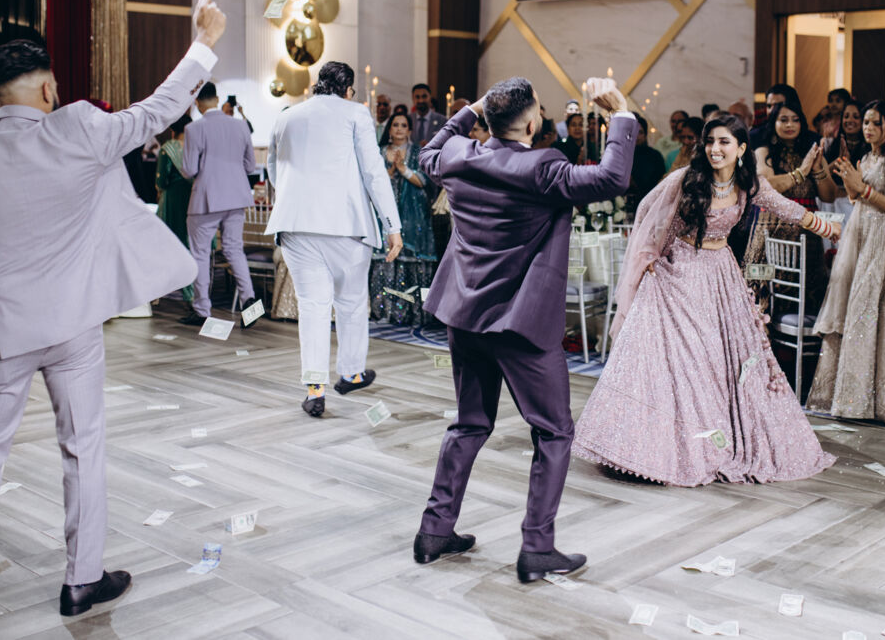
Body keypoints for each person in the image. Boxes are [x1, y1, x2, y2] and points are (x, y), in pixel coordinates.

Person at [0, 0, 225, 640]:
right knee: (84, 446)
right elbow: (159, 109)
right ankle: (82, 581)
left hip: (0, 334)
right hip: (74, 326)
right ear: (48, 89)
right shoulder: (79, 128)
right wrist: (204, 41)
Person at [412, 76, 635, 583]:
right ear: (533, 124)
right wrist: (620, 112)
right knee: (554, 432)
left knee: (469, 424)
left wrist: (471, 110)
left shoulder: (457, 156)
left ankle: (434, 531)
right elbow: (612, 178)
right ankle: (536, 548)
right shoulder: (543, 168)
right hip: (520, 323)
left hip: (465, 316)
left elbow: (427, 152)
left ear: (489, 119)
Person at [574, 113, 838, 485]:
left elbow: (787, 208)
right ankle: (659, 448)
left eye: (724, 142)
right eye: (711, 141)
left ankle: (714, 441)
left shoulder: (749, 184)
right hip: (680, 272)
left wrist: (827, 227)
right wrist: (651, 256)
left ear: (741, 149)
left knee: (719, 361)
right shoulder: (687, 179)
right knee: (684, 363)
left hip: (721, 276)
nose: (715, 149)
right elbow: (648, 210)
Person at [266, 61, 402, 418]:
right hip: (346, 223)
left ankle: (315, 389)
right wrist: (392, 225)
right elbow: (374, 172)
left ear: (318, 84)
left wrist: (297, 199)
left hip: (296, 223)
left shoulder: (286, 116)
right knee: (351, 301)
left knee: (312, 304)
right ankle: (351, 373)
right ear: (348, 89)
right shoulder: (355, 113)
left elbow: (273, 169)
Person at [808, 100, 885, 425]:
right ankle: (853, 401)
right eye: (866, 122)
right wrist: (850, 182)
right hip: (862, 235)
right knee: (858, 312)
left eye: (876, 123)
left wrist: (863, 188)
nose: (868, 128)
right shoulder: (867, 157)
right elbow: (854, 198)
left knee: (883, 314)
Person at [177, 82, 260, 327]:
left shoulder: (194, 128)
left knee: (201, 254)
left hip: (206, 199)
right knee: (235, 250)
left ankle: (202, 309)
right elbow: (250, 166)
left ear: (197, 102)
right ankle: (250, 304)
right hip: (236, 197)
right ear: (216, 98)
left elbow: (189, 169)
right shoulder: (241, 126)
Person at [745, 99, 838, 308]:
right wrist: (801, 172)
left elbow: (829, 196)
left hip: (807, 233)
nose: (790, 125)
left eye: (795, 120)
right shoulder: (764, 151)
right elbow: (766, 187)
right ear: (773, 123)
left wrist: (818, 169)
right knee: (765, 290)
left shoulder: (811, 153)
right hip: (771, 231)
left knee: (807, 292)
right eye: (783, 120)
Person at [370, 113, 437, 324]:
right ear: (389, 130)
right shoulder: (378, 152)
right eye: (395, 125)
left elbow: (424, 181)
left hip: (413, 216)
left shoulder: (417, 152)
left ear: (409, 130)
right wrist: (390, 172)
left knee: (413, 261)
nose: (399, 128)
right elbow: (372, 182)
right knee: (386, 260)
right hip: (385, 215)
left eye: (403, 125)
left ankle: (415, 313)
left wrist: (403, 169)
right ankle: (384, 312)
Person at [156, 113, 195, 302]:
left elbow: (161, 181)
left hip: (173, 201)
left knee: (168, 243)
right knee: (190, 245)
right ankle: (193, 291)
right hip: (194, 199)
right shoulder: (196, 148)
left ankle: (159, 290)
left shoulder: (168, 149)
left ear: (173, 130)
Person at [628, 114, 667, 209]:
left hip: (650, 204)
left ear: (645, 135)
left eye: (640, 132)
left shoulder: (655, 156)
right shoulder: (622, 155)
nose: (637, 136)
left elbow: (660, 183)